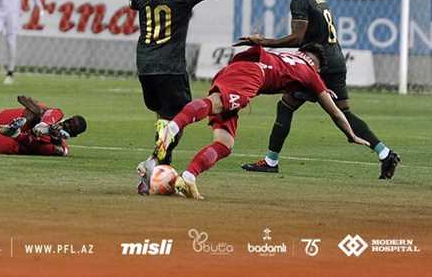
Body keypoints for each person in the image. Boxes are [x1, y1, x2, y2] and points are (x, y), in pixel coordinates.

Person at [238, 0, 400, 179]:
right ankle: (385, 153)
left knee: (286, 106)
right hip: (335, 60)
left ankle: (270, 161)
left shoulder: (300, 1)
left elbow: (297, 37)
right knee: (343, 112)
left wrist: (261, 43)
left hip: (317, 64)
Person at [154, 44, 369, 200]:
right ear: (317, 66)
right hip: (252, 75)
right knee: (217, 103)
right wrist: (351, 135)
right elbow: (335, 112)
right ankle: (172, 127)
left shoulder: (287, 57)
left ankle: (189, 177)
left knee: (225, 143)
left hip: (236, 70)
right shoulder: (311, 73)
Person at [131, 0, 237, 195]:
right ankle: (153, 162)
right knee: (178, 121)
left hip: (146, 65)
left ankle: (161, 171)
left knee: (162, 119)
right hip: (171, 67)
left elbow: (133, 1)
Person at [0, 95, 87, 155]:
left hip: (2, 141)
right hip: (1, 122)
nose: (66, 126)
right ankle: (37, 124)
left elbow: (61, 151)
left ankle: (21, 126)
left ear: (72, 135)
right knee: (45, 111)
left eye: (70, 128)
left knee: (42, 112)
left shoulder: (57, 146)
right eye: (68, 122)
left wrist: (55, 138)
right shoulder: (55, 114)